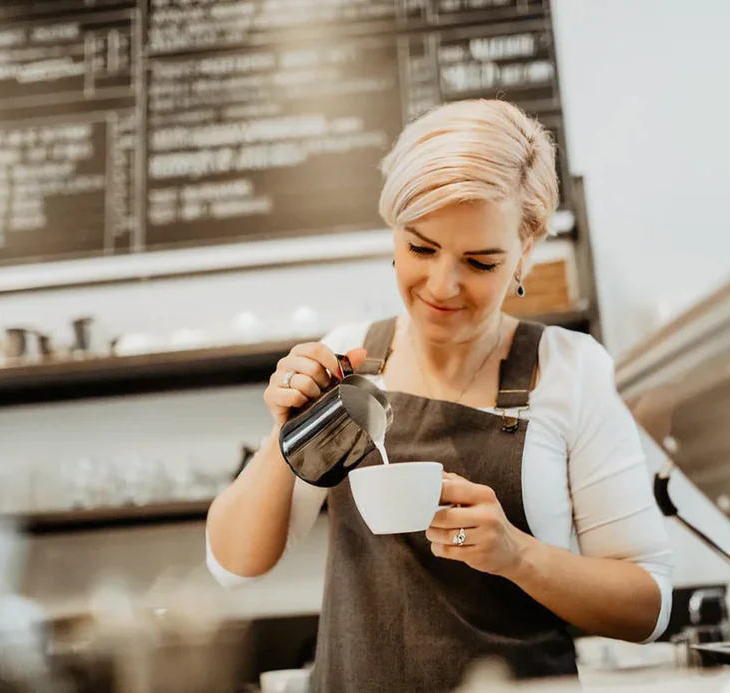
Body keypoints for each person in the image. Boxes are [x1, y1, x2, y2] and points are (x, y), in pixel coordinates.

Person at [205, 99, 674, 692]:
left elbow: (647, 607)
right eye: (421, 249)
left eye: (479, 262)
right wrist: (286, 434)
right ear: (394, 233)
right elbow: (233, 565)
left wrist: (517, 555)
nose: (443, 285)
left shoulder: (570, 371)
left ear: (525, 250)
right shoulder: (350, 362)